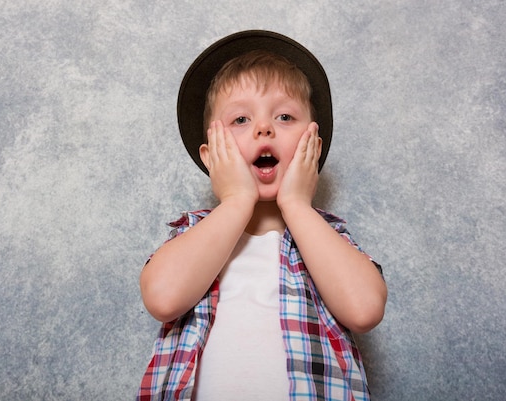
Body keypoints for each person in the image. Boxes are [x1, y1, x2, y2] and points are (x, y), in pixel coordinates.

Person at [137, 30, 387, 401]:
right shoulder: (193, 233)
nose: (264, 128)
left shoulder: (328, 238)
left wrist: (298, 205)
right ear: (210, 156)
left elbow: (365, 310)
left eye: (285, 116)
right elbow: (163, 299)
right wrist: (237, 199)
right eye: (240, 120)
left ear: (312, 149)